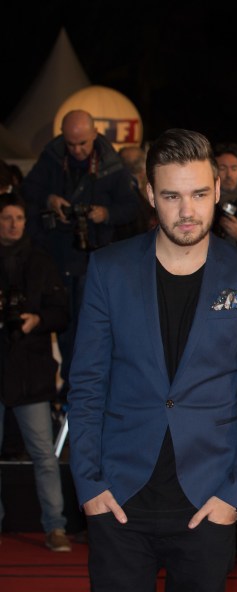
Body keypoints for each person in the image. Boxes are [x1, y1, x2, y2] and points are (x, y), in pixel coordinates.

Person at [68, 128, 237, 592]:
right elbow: (86, 384)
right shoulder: (108, 270)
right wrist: (89, 483)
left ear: (217, 191)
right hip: (118, 501)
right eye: (172, 195)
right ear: (150, 196)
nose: (187, 210)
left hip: (207, 502)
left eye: (200, 194)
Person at [20, 109, 141, 400]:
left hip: (97, 260)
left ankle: (95, 391)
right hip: (57, 258)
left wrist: (105, 214)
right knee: (64, 327)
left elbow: (134, 208)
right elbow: (26, 193)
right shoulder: (50, 159)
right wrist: (49, 200)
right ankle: (70, 392)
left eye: (83, 144)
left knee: (96, 329)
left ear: (95, 135)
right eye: (71, 144)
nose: (77, 150)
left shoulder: (113, 167)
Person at [0, 192, 71, 552]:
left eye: (18, 218)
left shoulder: (41, 262)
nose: (13, 225)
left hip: (32, 372)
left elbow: (63, 312)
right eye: (6, 218)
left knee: (44, 454)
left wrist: (37, 320)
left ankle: (55, 526)